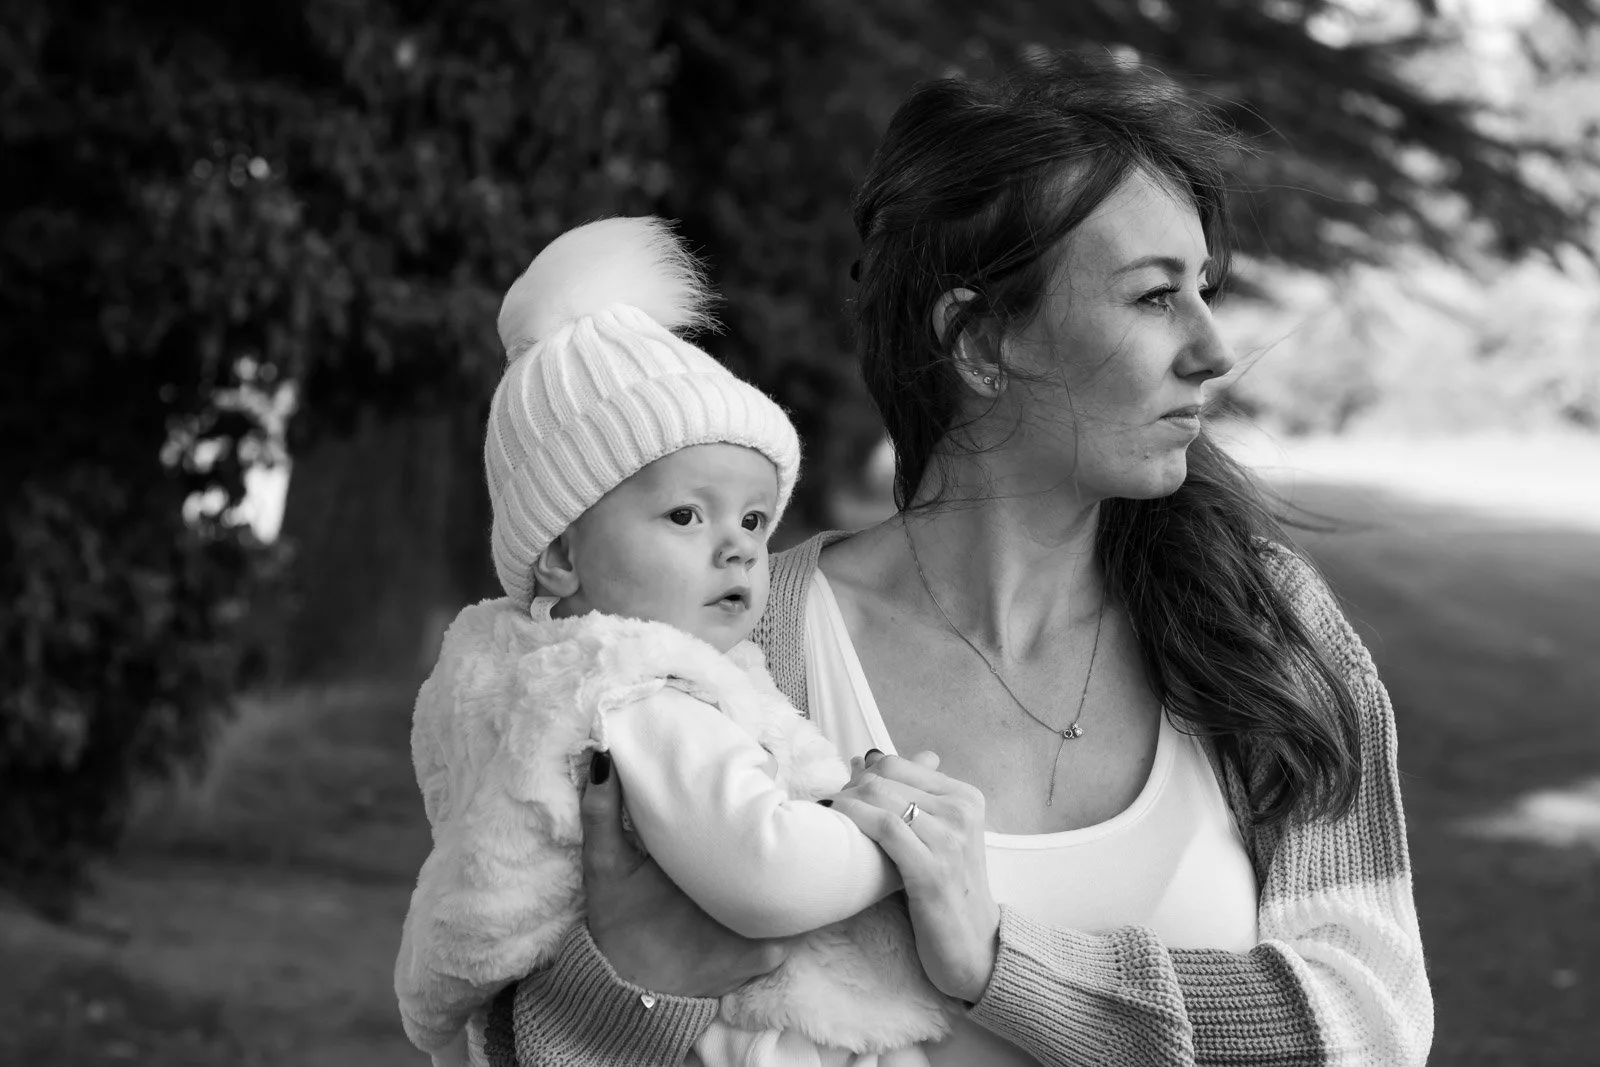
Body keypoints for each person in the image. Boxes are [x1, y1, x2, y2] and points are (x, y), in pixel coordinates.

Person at [481, 50, 1434, 1067]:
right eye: (1154, 297)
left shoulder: (1267, 626)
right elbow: (518, 1030)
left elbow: (1371, 1019)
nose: (1211, 346)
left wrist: (999, 958)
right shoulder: (729, 644)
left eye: (1203, 287)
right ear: (979, 342)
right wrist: (652, 978)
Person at [393, 215, 954, 1067]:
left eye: (755, 519)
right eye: (687, 514)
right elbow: (767, 875)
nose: (737, 547)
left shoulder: (533, 672)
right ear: (560, 552)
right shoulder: (637, 691)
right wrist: (888, 832)